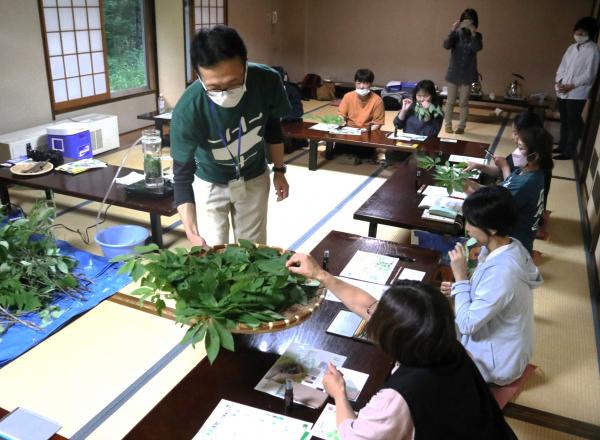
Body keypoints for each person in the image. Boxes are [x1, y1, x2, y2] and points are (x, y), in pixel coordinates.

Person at [286, 256, 517, 439]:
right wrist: (319, 274)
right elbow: (366, 305)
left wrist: (338, 393)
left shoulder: (396, 399)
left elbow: (352, 435)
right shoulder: (447, 345)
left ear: (392, 338)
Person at [170, 26, 291, 247]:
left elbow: (273, 126)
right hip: (210, 181)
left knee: (252, 251)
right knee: (214, 252)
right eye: (215, 87)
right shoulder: (188, 109)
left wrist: (280, 170)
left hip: (254, 176)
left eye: (234, 83)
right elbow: (181, 175)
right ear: (198, 75)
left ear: (245, 63)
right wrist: (191, 231)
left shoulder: (267, 80)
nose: (225, 93)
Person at [441, 186, 542, 386]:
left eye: (472, 222)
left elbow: (467, 324)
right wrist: (461, 288)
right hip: (505, 345)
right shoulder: (510, 245)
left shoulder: (504, 273)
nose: (466, 227)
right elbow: (487, 290)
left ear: (493, 228)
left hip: (496, 366)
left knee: (429, 337)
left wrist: (460, 279)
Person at [465, 126, 553, 254]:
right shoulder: (524, 171)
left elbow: (489, 210)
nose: (516, 152)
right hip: (519, 238)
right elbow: (501, 190)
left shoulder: (526, 183)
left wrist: (468, 191)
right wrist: (471, 184)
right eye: (517, 146)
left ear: (534, 156)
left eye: (521, 148)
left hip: (512, 245)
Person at [554, 16, 600, 160]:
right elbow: (562, 67)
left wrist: (571, 86)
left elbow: (590, 74)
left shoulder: (593, 50)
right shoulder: (571, 48)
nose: (578, 35)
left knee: (573, 121)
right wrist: (559, 82)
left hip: (577, 93)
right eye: (577, 32)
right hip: (562, 90)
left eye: (582, 33)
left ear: (590, 33)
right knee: (564, 120)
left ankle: (569, 151)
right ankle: (561, 146)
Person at [328, 69, 385, 160]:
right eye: (358, 83)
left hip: (366, 133)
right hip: (349, 131)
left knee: (364, 156)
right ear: (355, 83)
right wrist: (339, 122)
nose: (361, 86)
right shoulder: (348, 96)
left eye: (365, 83)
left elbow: (377, 123)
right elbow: (341, 115)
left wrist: (366, 132)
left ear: (371, 84)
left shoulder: (377, 100)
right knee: (338, 152)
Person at [443, 8, 483, 134]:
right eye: (464, 20)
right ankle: (448, 125)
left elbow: (477, 48)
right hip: (453, 72)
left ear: (474, 22)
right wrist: (452, 30)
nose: (466, 23)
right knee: (450, 102)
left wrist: (473, 33)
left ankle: (461, 126)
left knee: (463, 102)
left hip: (468, 73)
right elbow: (446, 45)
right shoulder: (456, 34)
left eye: (469, 21)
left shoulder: (477, 35)